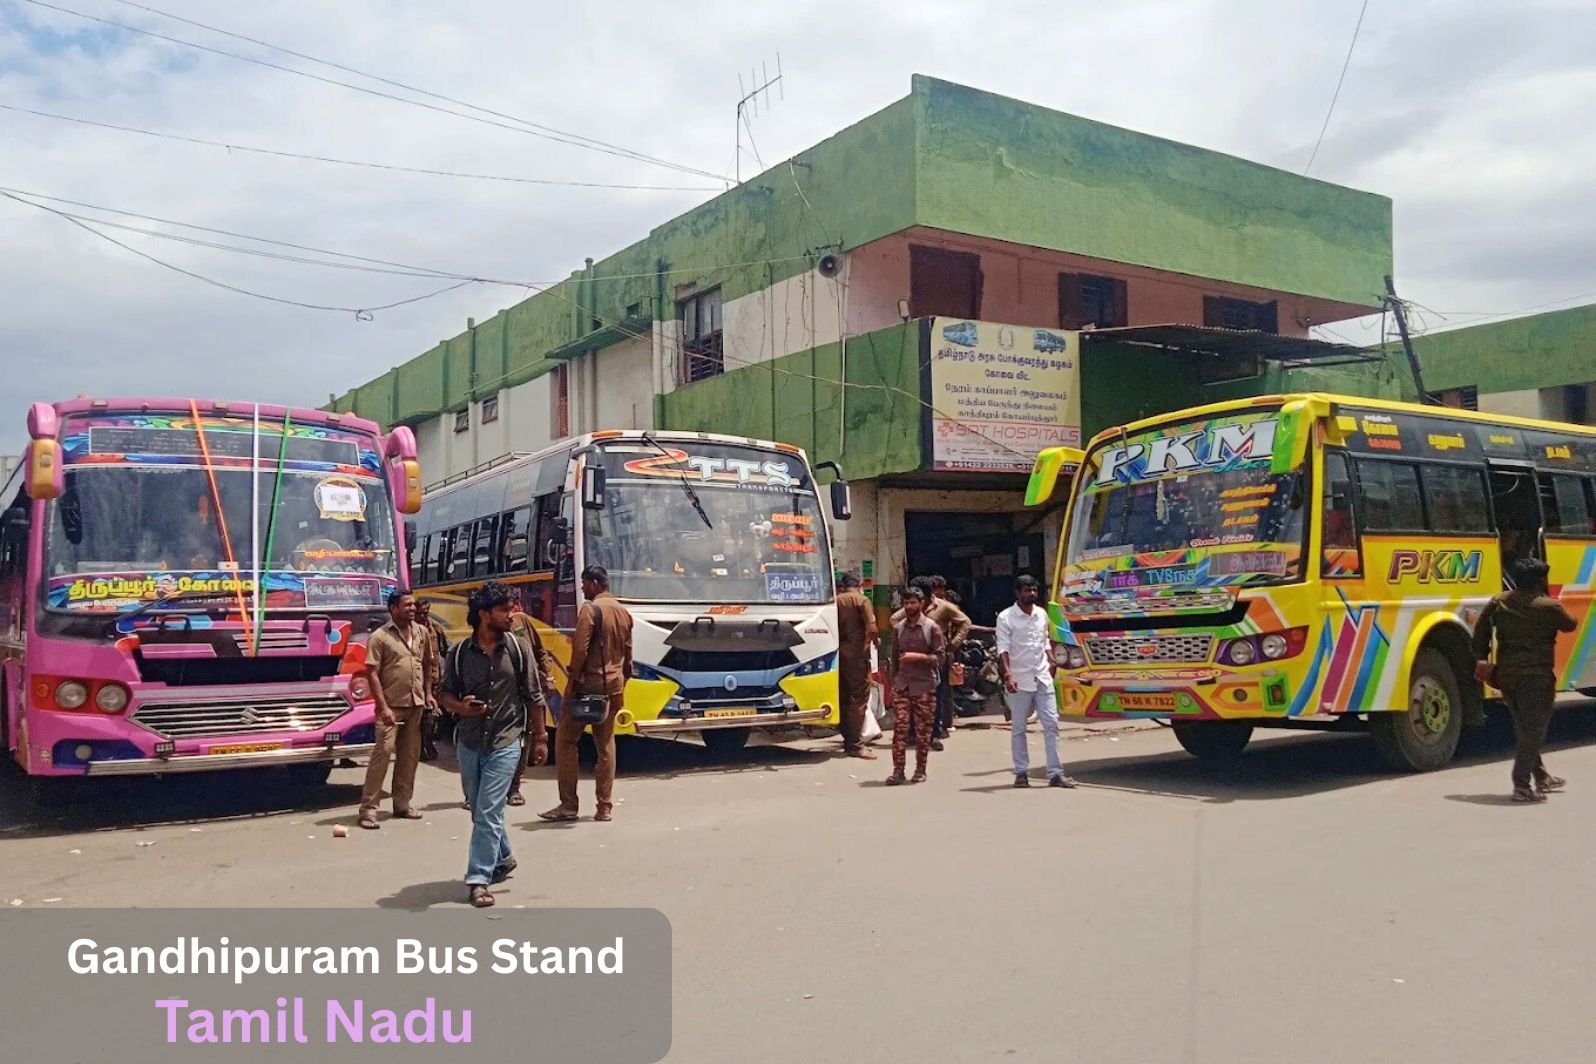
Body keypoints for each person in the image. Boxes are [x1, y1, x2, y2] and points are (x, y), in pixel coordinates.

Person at [441, 581, 547, 907]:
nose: (512, 616)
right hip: (470, 742)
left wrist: (540, 738)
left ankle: (478, 879)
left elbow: (534, 696)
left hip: (506, 741)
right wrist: (461, 708)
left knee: (488, 811)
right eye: (504, 610)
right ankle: (504, 855)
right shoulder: (459, 653)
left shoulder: (518, 649)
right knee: (478, 809)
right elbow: (445, 694)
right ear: (485, 615)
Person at [1472, 556, 1578, 803]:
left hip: (1506, 675)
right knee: (1534, 729)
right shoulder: (1549, 607)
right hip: (1536, 677)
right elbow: (1570, 625)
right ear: (1540, 580)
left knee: (1524, 725)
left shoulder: (1499, 602)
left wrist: (1481, 657)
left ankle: (1542, 777)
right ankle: (1521, 785)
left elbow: (1481, 629)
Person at [540, 565, 633, 823]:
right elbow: (629, 657)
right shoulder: (623, 612)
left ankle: (568, 805)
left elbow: (579, 651)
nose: (581, 588)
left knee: (566, 741)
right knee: (606, 744)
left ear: (594, 583)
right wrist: (620, 684)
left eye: (583, 583)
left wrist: (570, 686)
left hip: (588, 687)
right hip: (613, 687)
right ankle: (604, 807)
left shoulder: (590, 610)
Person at [357, 591, 434, 830]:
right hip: (390, 706)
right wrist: (382, 706)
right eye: (407, 605)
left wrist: (429, 694)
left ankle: (402, 803)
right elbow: (371, 672)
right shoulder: (380, 637)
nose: (412, 608)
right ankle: (368, 809)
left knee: (409, 757)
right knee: (383, 754)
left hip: (416, 703)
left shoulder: (422, 633)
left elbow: (429, 663)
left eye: (413, 604)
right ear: (393, 609)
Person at [996, 576, 1076, 789]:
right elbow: (1002, 649)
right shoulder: (1006, 618)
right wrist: (1008, 675)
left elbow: (1045, 642)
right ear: (1017, 593)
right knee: (1019, 728)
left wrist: (1051, 661)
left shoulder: (1041, 614)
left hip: (1042, 676)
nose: (1031, 594)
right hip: (1020, 679)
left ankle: (1056, 774)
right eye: (1026, 590)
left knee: (1052, 724)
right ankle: (1021, 773)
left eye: (1033, 590)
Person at [887, 586, 945, 786]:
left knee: (923, 732)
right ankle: (898, 771)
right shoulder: (898, 629)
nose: (909, 606)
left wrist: (918, 657)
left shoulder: (932, 628)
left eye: (913, 602)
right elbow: (894, 659)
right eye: (906, 603)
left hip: (924, 686)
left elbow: (940, 658)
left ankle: (920, 770)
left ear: (922, 604)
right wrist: (893, 682)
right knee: (900, 730)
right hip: (902, 685)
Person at [507, 600, 561, 807]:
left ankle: (514, 788)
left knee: (522, 740)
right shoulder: (484, 636)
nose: (509, 615)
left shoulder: (523, 622)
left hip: (525, 692)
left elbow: (540, 651)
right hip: (500, 697)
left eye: (510, 608)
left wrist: (547, 675)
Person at [834, 572, 879, 760]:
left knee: (843, 698)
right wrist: (876, 642)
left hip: (837, 656)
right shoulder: (862, 600)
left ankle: (847, 740)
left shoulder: (834, 601)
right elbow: (872, 627)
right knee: (859, 699)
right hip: (856, 657)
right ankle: (855, 745)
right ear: (859, 584)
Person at [415, 598, 447, 763]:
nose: (423, 616)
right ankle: (419, 747)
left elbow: (445, 651)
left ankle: (427, 742)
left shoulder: (435, 629)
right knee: (417, 717)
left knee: (431, 715)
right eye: (420, 613)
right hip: (415, 681)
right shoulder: (410, 630)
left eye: (426, 612)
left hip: (433, 679)